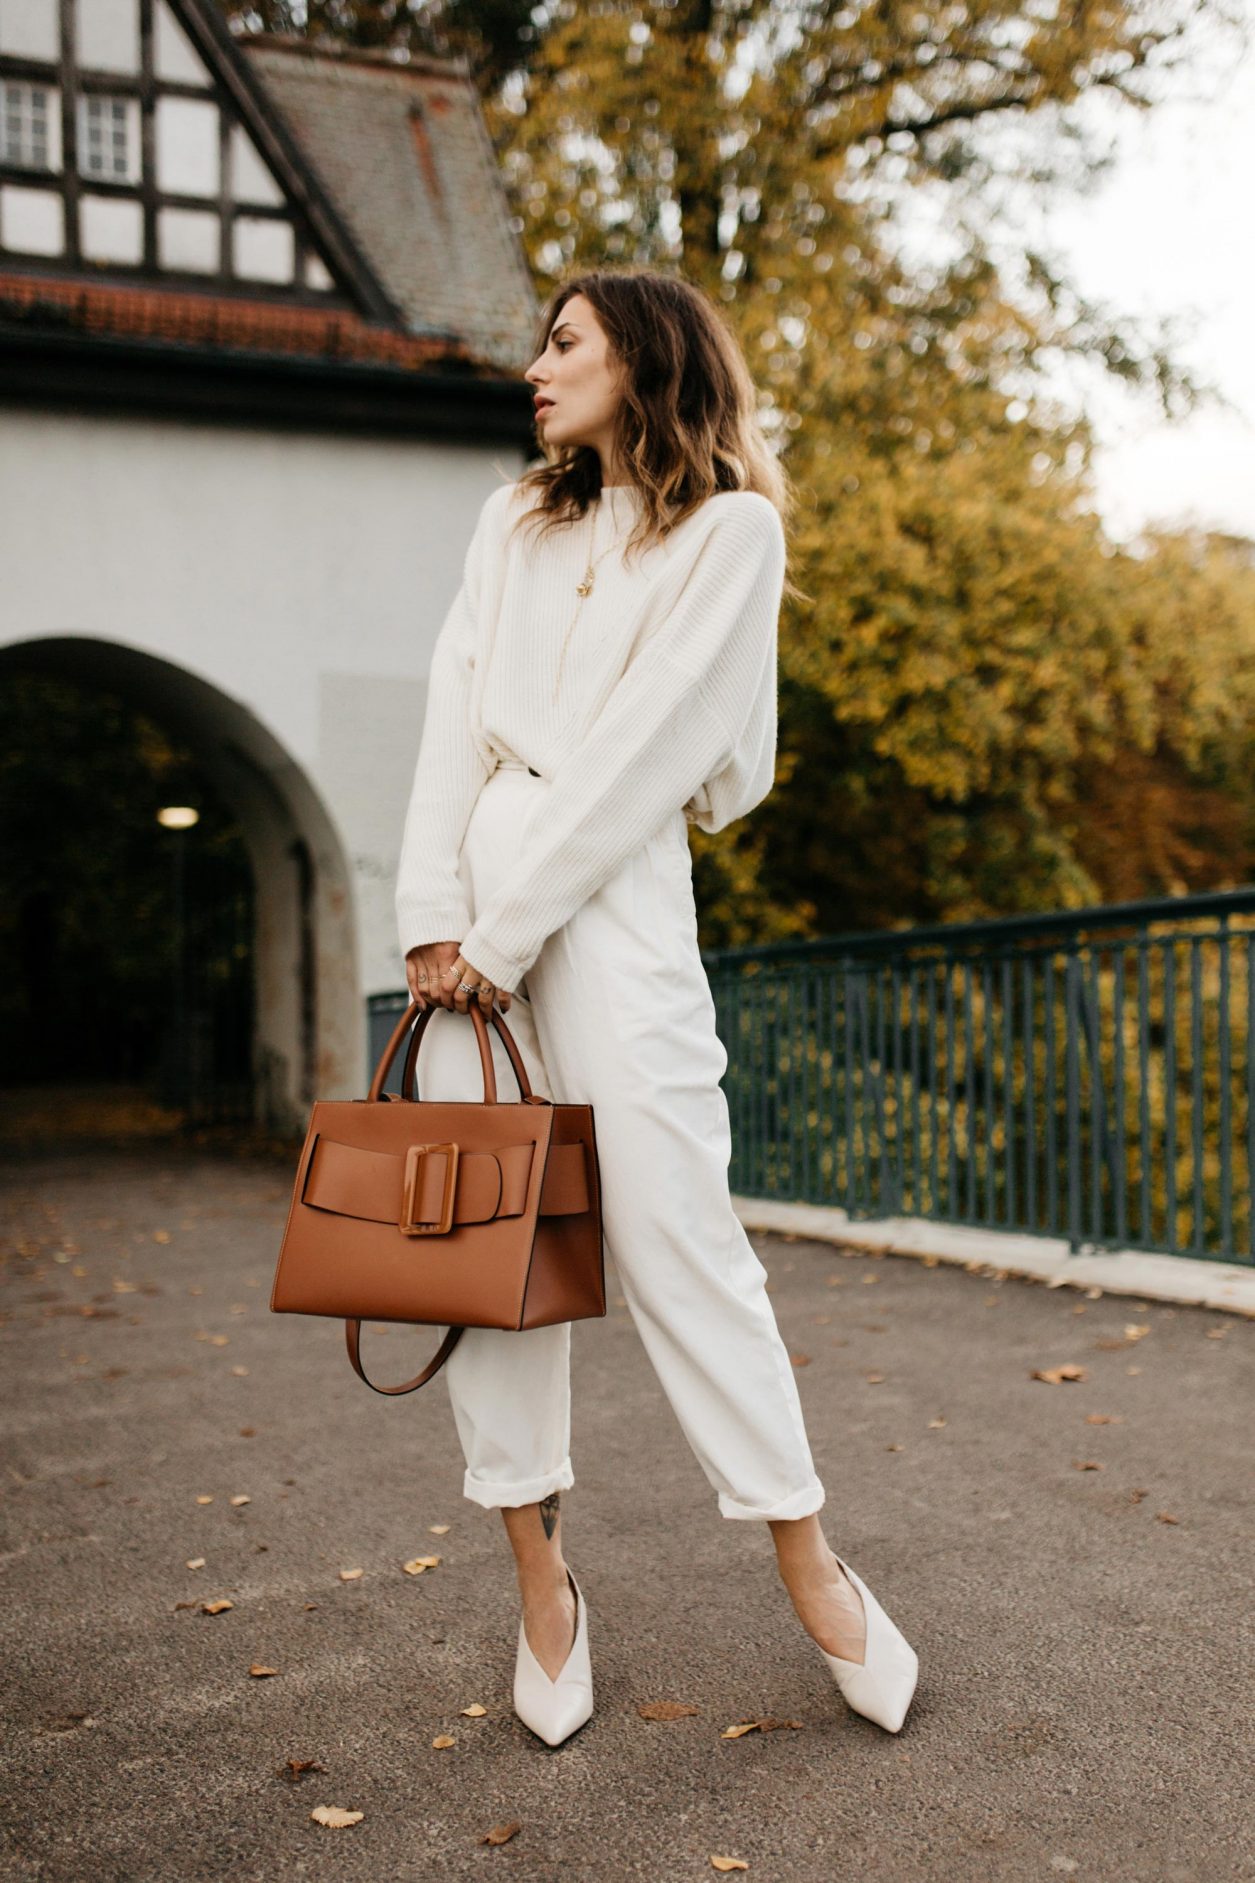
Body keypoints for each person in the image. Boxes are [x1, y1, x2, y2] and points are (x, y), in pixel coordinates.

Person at [393, 268, 918, 1744]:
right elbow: (454, 704)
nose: (535, 369)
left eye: (563, 343)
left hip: (613, 901)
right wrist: (435, 915)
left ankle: (805, 1553)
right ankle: (541, 1585)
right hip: (475, 917)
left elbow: (651, 759)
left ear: (644, 353)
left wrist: (501, 927)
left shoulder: (732, 533)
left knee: (679, 1229)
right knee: (489, 1241)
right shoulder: (512, 519)